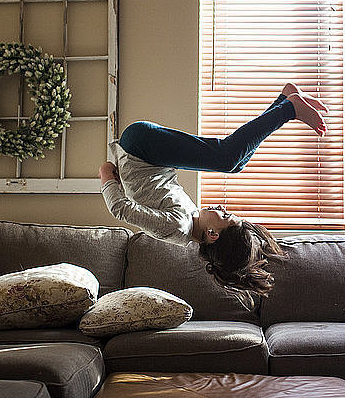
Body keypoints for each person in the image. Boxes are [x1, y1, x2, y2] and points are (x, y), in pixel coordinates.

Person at [98, 83, 328, 305]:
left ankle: (289, 108)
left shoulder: (177, 226)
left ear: (212, 234)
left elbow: (122, 210)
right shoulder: (191, 219)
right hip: (149, 155)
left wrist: (107, 176)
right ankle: (283, 102)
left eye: (226, 217)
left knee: (226, 159)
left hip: (139, 148)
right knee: (235, 164)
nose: (222, 208)